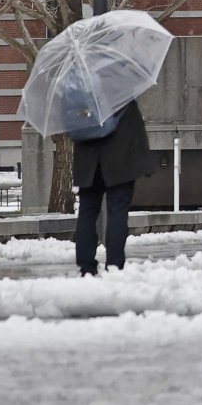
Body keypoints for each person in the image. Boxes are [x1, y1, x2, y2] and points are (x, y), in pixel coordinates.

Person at [73, 98, 155, 275]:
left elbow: (72, 122)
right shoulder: (122, 80)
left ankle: (86, 266)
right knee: (118, 211)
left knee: (87, 212)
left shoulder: (78, 82)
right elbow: (135, 130)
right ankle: (115, 266)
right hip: (120, 157)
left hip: (88, 157)